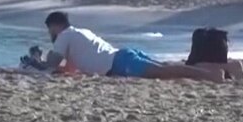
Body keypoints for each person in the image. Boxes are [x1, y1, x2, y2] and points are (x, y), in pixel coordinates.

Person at [33, 11, 225, 82]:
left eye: (50, 30)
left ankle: (212, 75)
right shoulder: (79, 32)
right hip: (122, 56)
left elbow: (53, 65)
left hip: (120, 63)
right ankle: (217, 70)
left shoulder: (63, 36)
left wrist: (38, 60)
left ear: (55, 26)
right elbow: (69, 68)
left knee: (166, 72)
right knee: (167, 69)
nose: (51, 35)